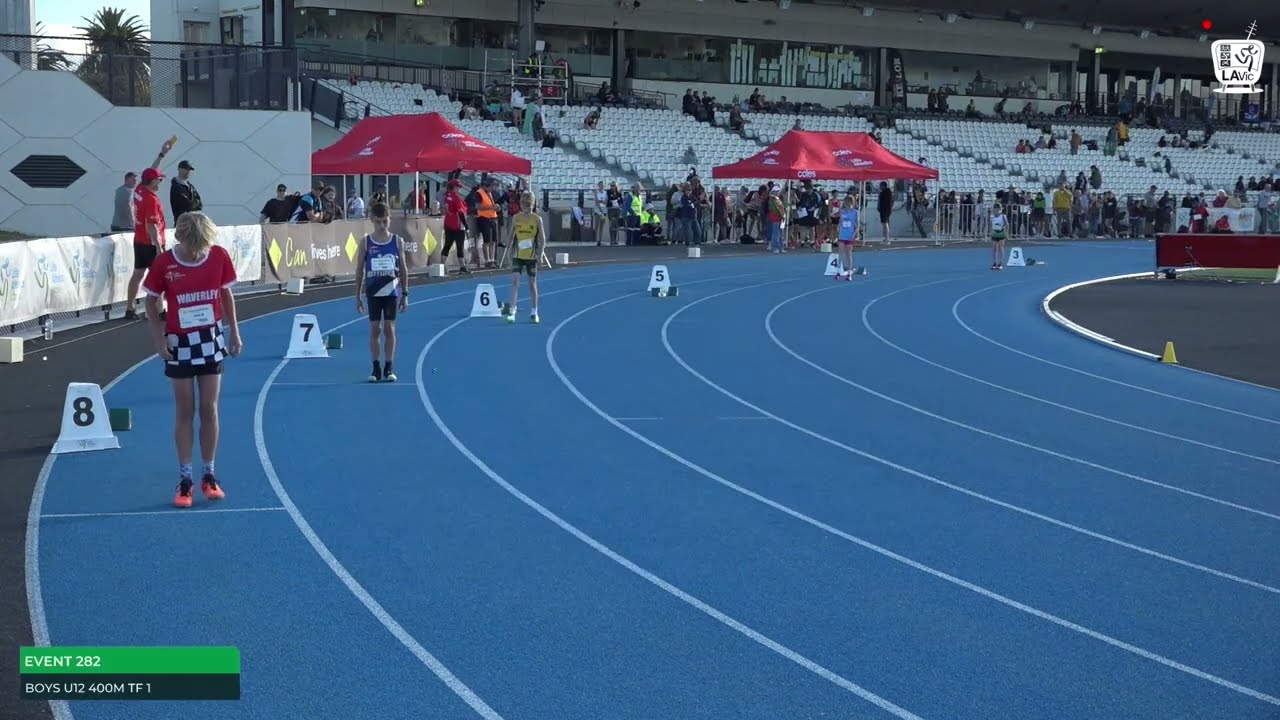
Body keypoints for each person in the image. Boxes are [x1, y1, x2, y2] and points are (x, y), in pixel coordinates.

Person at [142, 212, 242, 508]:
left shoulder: (218, 256)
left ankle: (209, 474)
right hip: (179, 343)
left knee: (209, 408)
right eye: (193, 246)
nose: (198, 251)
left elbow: (226, 295)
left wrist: (234, 332)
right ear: (181, 239)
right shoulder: (165, 263)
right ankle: (185, 478)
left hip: (210, 339)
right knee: (185, 409)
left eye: (203, 246)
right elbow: (150, 299)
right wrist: (159, 340)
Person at [354, 203, 409, 382]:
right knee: (375, 329)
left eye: (385, 221)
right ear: (372, 221)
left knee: (389, 328)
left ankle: (389, 366)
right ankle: (376, 367)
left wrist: (405, 294)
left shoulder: (397, 241)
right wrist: (357, 296)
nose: (382, 226)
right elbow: (359, 270)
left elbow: (403, 269)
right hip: (373, 291)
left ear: (389, 220)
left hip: (392, 291)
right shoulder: (366, 242)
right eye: (378, 222)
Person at [503, 191, 544, 324]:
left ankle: (534, 311)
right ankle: (512, 311)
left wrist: (540, 255)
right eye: (525, 205)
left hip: (531, 256)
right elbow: (510, 235)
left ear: (533, 205)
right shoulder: (516, 218)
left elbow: (542, 239)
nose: (527, 208)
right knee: (515, 282)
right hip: (518, 255)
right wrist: (507, 251)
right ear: (520, 204)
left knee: (532, 284)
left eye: (529, 205)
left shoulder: (537, 219)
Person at [835, 195, 859, 280]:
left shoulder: (855, 212)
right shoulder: (842, 211)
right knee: (840, 254)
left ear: (851, 203)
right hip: (842, 235)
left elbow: (857, 226)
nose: (846, 204)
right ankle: (838, 272)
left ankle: (849, 273)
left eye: (848, 202)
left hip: (849, 236)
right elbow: (840, 222)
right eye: (845, 202)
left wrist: (854, 234)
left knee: (848, 254)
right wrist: (838, 230)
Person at [989, 203, 1008, 270]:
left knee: (1000, 248)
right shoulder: (991, 216)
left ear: (1000, 209)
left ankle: (1000, 263)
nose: (996, 210)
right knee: (994, 249)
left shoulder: (1003, 216)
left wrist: (1006, 233)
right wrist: (990, 232)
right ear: (993, 209)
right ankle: (994, 263)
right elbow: (991, 224)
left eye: (998, 208)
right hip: (994, 233)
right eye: (995, 208)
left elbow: (1006, 224)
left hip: (1001, 233)